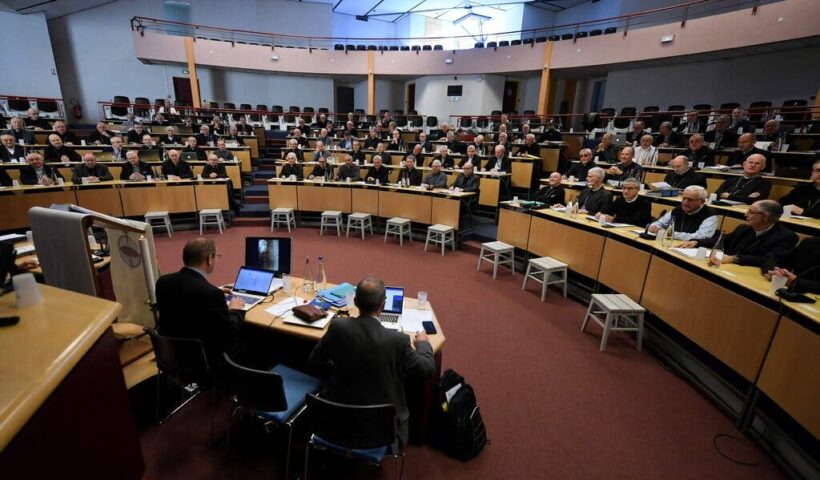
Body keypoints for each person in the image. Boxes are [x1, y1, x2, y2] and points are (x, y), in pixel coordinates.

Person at [309, 277, 434, 448]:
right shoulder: (397, 340)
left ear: (354, 301)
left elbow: (315, 362)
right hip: (383, 431)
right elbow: (427, 369)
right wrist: (423, 343)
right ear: (383, 305)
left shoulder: (338, 327)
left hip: (336, 419)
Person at [156, 237, 245, 369]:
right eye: (216, 256)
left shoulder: (163, 282)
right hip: (204, 363)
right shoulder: (211, 294)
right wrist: (234, 309)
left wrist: (215, 291)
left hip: (172, 356)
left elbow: (185, 299)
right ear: (209, 259)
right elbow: (228, 336)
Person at [681, 200, 798, 268]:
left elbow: (769, 260)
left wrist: (735, 258)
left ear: (765, 217)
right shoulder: (744, 228)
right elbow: (724, 240)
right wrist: (697, 242)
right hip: (726, 267)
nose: (745, 215)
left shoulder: (786, 237)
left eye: (750, 212)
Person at [648, 185, 717, 240]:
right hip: (672, 242)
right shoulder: (678, 209)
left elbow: (702, 236)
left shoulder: (710, 214)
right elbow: (660, 223)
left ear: (702, 202)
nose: (685, 202)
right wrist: (654, 227)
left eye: (690, 200)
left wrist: (671, 234)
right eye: (684, 198)